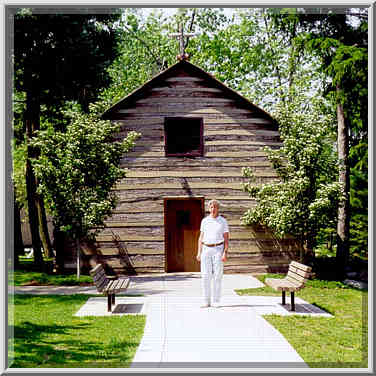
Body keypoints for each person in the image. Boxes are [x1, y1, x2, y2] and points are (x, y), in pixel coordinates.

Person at [196, 199, 229, 308]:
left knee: (217, 275)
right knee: (205, 275)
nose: (213, 209)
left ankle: (216, 300)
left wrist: (225, 252)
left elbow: (226, 238)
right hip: (206, 249)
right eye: (211, 207)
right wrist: (199, 252)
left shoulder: (222, 221)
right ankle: (206, 300)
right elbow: (200, 238)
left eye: (215, 207)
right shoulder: (205, 221)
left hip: (218, 249)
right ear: (209, 209)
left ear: (218, 208)